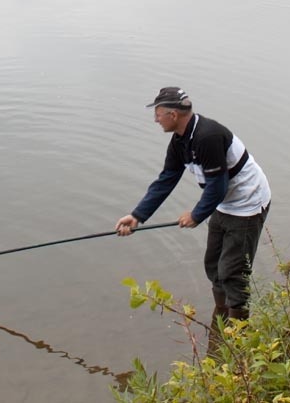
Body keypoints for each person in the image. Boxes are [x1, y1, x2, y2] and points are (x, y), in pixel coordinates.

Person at [115, 86, 272, 337]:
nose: (155, 120)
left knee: (233, 271)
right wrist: (137, 216)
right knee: (213, 264)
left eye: (158, 114)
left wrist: (197, 215)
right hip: (223, 203)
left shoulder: (208, 136)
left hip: (247, 204)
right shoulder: (179, 142)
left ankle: (240, 333)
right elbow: (166, 179)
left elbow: (218, 185)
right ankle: (221, 321)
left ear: (173, 115)